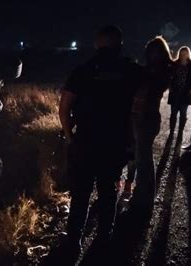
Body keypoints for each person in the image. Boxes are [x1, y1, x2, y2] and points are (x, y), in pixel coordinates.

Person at [52, 25, 141, 264]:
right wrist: (132, 143)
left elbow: (64, 109)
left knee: (80, 194)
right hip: (114, 144)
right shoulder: (130, 71)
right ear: (120, 45)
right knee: (108, 192)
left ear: (96, 45)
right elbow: (138, 110)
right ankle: (104, 237)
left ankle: (74, 240)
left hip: (84, 143)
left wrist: (71, 137)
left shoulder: (82, 71)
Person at [129, 36, 172, 218]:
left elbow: (151, 86)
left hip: (146, 119)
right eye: (151, 52)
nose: (153, 56)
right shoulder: (152, 71)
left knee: (144, 162)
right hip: (141, 118)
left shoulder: (160, 73)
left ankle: (143, 202)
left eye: (156, 52)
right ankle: (142, 199)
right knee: (141, 159)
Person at [168, 46, 191, 135]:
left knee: (183, 114)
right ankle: (172, 131)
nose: (183, 55)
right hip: (175, 92)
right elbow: (169, 76)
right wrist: (169, 86)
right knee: (173, 113)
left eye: (185, 53)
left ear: (188, 54)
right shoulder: (175, 64)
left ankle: (180, 131)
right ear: (179, 54)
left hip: (186, 92)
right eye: (181, 53)